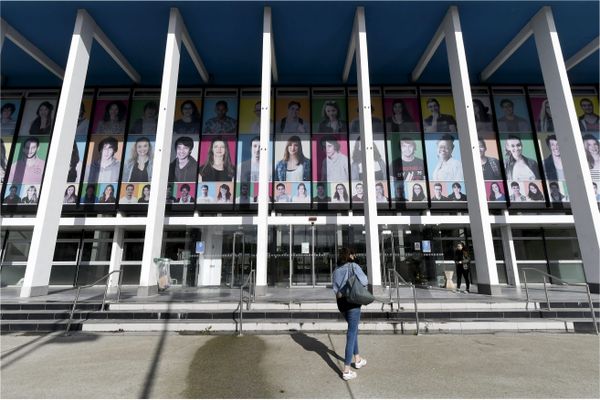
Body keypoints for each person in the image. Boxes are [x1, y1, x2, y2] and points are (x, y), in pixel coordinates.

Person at [332, 247, 369, 381]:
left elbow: (335, 289)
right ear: (350, 255)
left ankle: (357, 359)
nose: (354, 256)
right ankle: (347, 369)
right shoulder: (353, 266)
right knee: (351, 333)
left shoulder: (336, 270)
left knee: (353, 331)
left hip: (341, 303)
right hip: (353, 301)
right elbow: (364, 281)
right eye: (353, 254)